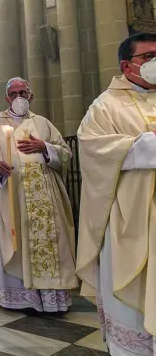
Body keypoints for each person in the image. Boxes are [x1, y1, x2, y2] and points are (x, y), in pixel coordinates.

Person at [77, 32, 156, 353]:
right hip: (130, 224)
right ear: (127, 65)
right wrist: (149, 143)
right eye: (148, 57)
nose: (154, 62)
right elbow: (92, 148)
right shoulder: (105, 106)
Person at [0, 77, 78, 312]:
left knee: (50, 244)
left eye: (23, 93)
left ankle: (52, 301)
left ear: (31, 96)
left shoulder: (43, 123)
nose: (19, 97)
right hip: (13, 196)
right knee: (17, 242)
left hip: (46, 195)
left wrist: (45, 148)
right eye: (14, 94)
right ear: (6, 98)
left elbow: (66, 152)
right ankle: (20, 298)